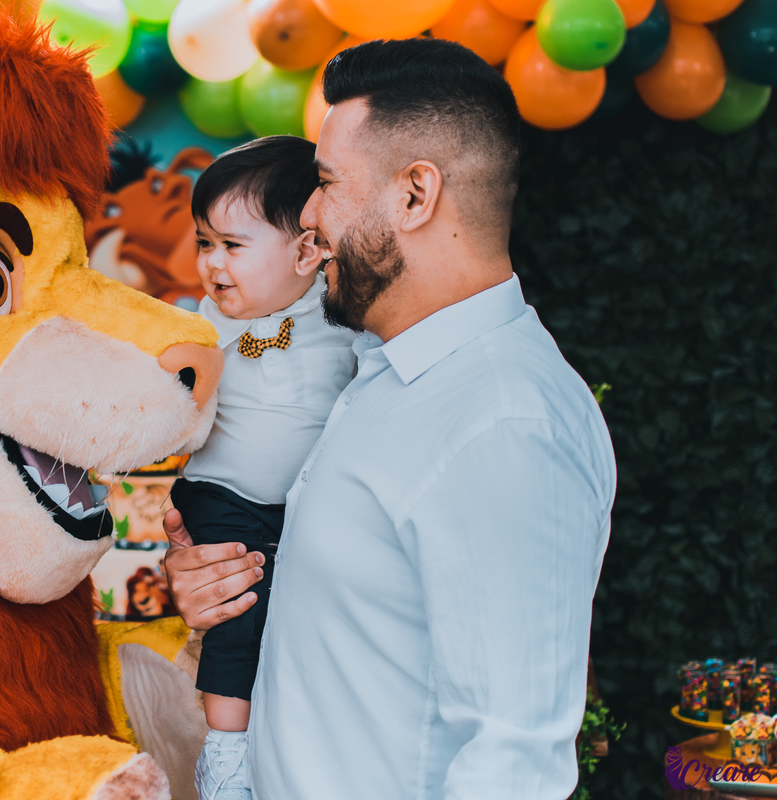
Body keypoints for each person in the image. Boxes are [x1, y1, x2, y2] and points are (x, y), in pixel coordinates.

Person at [163, 38, 617, 800]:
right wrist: (220, 590)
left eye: (328, 183)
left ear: (415, 195)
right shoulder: (379, 374)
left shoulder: (502, 424)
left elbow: (511, 765)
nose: (307, 214)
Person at [170, 135, 357, 800]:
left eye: (233, 245)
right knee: (238, 606)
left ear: (307, 250)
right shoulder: (204, 324)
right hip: (219, 493)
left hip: (300, 507)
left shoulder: (344, 323)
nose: (213, 265)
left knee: (296, 608)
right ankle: (225, 753)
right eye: (203, 243)